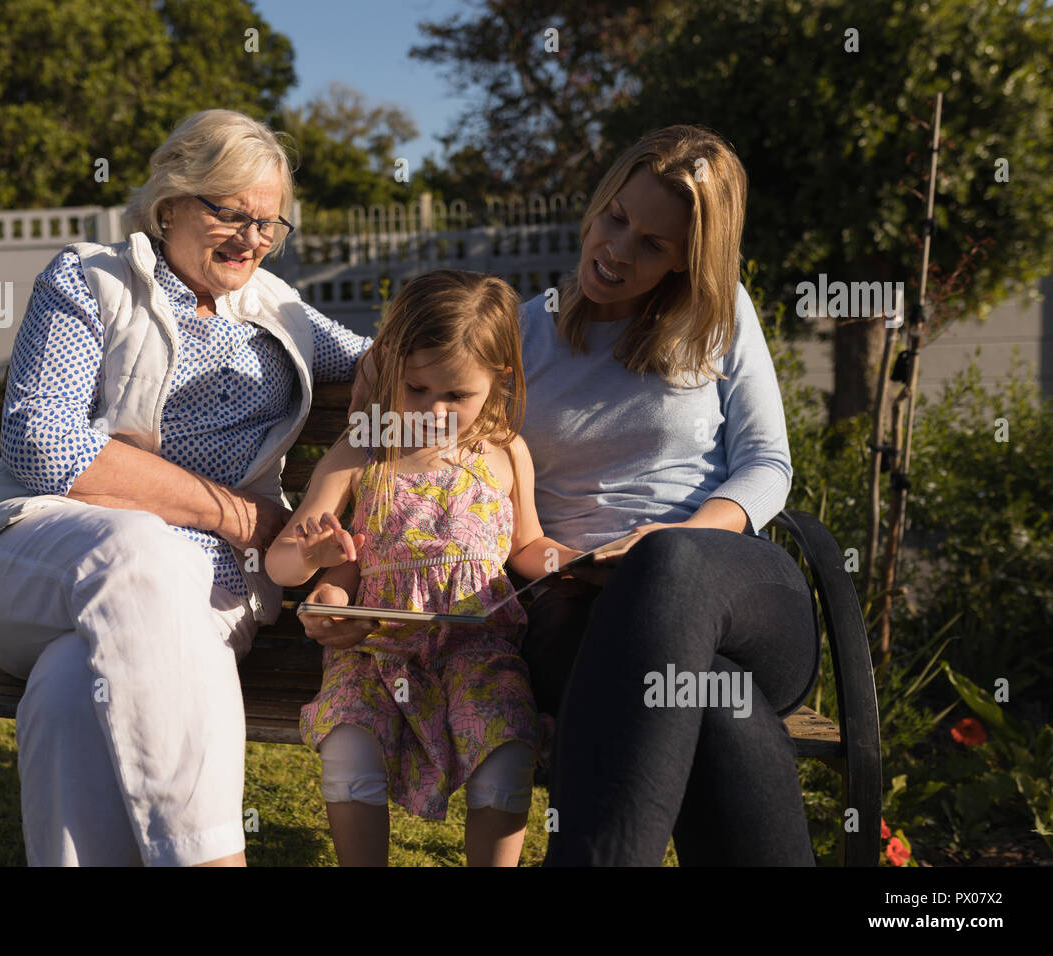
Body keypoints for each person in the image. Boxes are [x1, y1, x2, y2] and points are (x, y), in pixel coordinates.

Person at [0, 109, 372, 866]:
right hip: (41, 555)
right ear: (171, 201)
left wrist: (519, 343)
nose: (251, 238)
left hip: (208, 597)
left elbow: (399, 362)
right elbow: (42, 439)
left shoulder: (282, 311)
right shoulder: (92, 280)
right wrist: (238, 515)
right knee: (137, 546)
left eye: (269, 224)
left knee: (74, 682)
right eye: (230, 212)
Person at [517, 125, 821, 865]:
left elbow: (766, 465)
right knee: (717, 703)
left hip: (737, 599)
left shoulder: (722, 319)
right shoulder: (524, 333)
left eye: (653, 244)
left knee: (671, 563)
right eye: (616, 218)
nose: (618, 249)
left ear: (690, 260)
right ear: (598, 205)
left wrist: (675, 539)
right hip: (583, 620)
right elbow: (462, 448)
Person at [267, 270, 572, 866]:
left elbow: (527, 545)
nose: (433, 410)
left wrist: (573, 563)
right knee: (349, 746)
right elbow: (281, 560)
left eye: (456, 396)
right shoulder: (363, 450)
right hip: (373, 650)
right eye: (417, 388)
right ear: (389, 372)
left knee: (506, 753)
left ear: (498, 380)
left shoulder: (506, 450)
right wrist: (315, 559)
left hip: (476, 648)